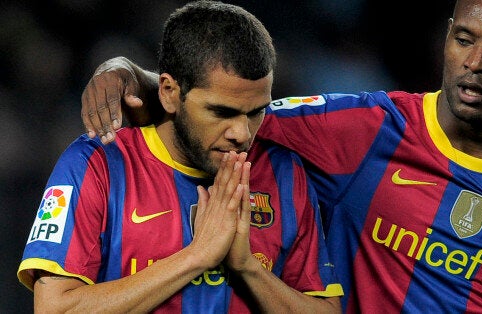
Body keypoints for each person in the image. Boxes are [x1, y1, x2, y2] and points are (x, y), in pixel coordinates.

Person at [80, 0, 482, 312]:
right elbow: (220, 107)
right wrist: (130, 73)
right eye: (465, 40)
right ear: (447, 39)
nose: (476, 63)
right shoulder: (364, 129)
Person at [17, 1, 343, 313]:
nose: (242, 133)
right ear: (170, 93)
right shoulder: (97, 165)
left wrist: (247, 267)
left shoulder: (283, 172)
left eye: (256, 112)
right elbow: (56, 308)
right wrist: (197, 256)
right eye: (221, 112)